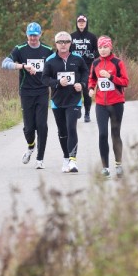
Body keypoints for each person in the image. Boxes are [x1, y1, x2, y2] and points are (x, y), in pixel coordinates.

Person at [1, 22, 53, 169]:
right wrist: (22, 66)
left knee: (42, 126)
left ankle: (40, 159)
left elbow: (56, 67)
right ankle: (31, 146)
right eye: (30, 35)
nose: (33, 38)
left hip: (42, 91)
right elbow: (4, 63)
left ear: (40, 35)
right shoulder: (20, 49)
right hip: (26, 92)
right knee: (29, 128)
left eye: (35, 35)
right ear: (27, 35)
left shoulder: (48, 50)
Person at [43, 31, 90, 173]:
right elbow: (45, 79)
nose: (63, 45)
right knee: (62, 131)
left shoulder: (78, 58)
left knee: (71, 128)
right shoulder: (50, 60)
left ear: (71, 43)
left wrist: (81, 84)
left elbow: (86, 73)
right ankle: (65, 157)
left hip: (74, 100)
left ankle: (72, 160)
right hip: (57, 101)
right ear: (56, 44)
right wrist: (57, 82)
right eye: (60, 42)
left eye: (66, 42)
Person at [88, 35, 129, 177]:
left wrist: (110, 77)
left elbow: (125, 82)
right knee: (102, 134)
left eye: (105, 47)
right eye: (100, 47)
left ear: (110, 47)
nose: (102, 50)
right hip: (100, 104)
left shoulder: (118, 63)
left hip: (116, 103)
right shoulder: (95, 63)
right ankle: (105, 167)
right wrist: (91, 88)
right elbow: (92, 78)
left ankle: (118, 165)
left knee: (115, 134)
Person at [70, 14, 98, 122]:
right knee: (75, 90)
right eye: (79, 22)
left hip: (87, 67)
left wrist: (93, 55)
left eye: (83, 22)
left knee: (86, 91)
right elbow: (66, 50)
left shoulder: (92, 37)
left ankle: (87, 113)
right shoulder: (71, 36)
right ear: (77, 24)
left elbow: (98, 51)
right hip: (74, 67)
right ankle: (77, 110)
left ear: (86, 23)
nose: (81, 23)